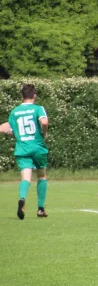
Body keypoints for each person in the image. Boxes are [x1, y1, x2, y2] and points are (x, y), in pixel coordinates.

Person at [0, 84, 50, 220]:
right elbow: (44, 122)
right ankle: (40, 209)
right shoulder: (38, 108)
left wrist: (16, 134)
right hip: (38, 147)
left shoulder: (15, 112)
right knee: (41, 176)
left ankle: (22, 199)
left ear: (21, 96)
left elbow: (7, 129)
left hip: (22, 149)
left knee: (25, 178)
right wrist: (44, 133)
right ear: (34, 95)